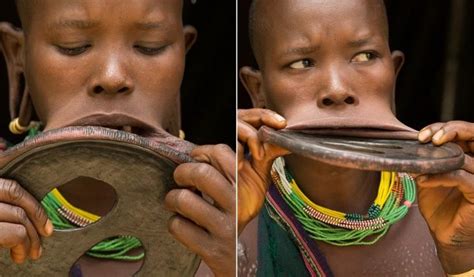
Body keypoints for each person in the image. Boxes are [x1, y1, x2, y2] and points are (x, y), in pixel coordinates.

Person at [238, 0, 474, 275]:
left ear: (393, 73)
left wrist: (463, 255)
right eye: (302, 63)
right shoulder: (236, 220)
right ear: (258, 91)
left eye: (364, 57)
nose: (337, 89)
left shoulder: (451, 202)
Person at [0, 0, 235, 276]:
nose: (113, 77)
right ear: (19, 57)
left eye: (151, 46)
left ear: (183, 56)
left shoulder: (238, 220)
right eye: (73, 45)